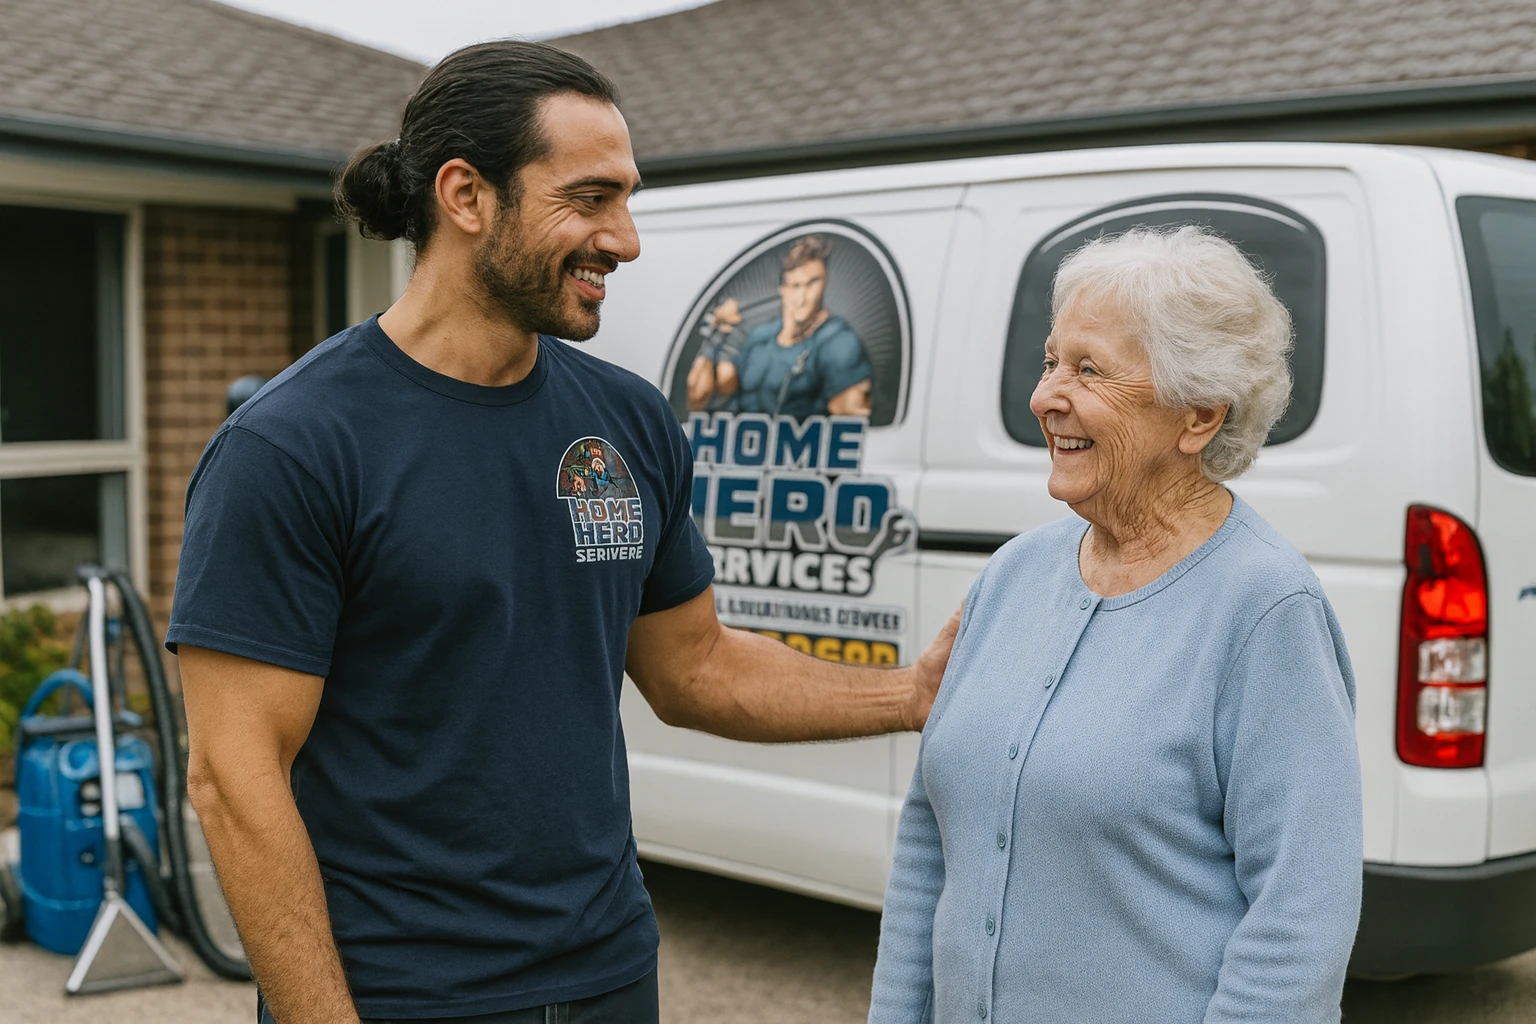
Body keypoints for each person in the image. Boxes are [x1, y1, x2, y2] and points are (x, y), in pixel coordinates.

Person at [167, 42, 958, 1024]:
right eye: (589, 199)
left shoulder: (627, 422)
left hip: (608, 973)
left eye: (627, 199)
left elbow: (695, 667)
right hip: (404, 996)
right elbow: (234, 778)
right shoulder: (293, 446)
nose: (624, 239)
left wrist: (912, 693)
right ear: (465, 196)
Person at [869, 225, 1363, 1024]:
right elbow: (933, 835)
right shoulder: (1013, 575)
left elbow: (1298, 922)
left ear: (1198, 415)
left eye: (1089, 370)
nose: (1044, 396)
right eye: (1050, 361)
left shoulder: (1266, 609)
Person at [685, 235, 874, 418]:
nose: (802, 299)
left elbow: (852, 425)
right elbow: (699, 398)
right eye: (795, 286)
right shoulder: (758, 337)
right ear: (782, 288)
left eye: (811, 284)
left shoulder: (838, 342)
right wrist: (717, 337)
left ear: (824, 282)